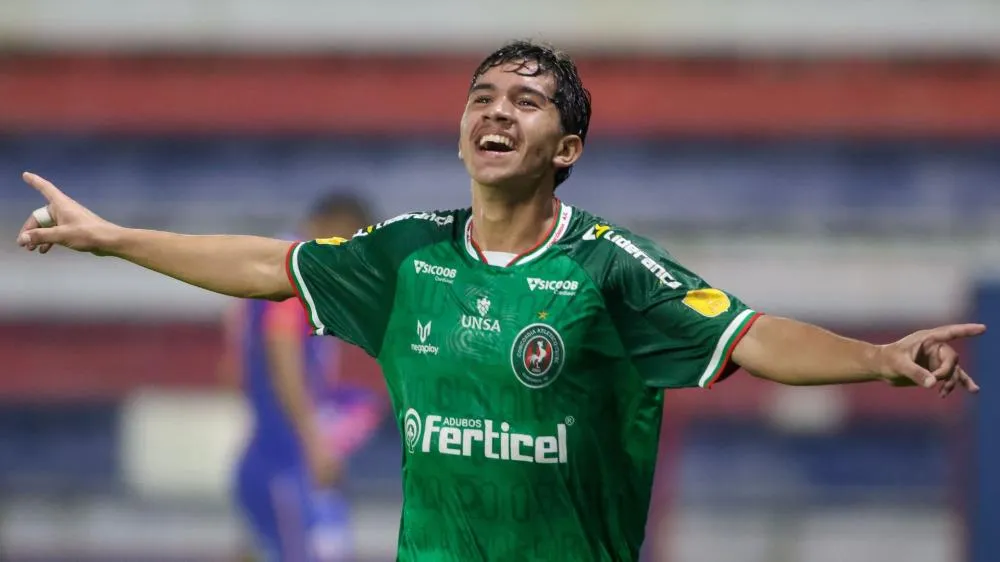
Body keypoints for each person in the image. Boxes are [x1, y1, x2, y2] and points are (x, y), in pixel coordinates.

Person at [16, 40, 983, 562]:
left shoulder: (609, 269)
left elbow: (752, 335)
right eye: (482, 96)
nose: (495, 110)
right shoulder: (406, 256)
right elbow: (269, 265)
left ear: (567, 149)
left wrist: (879, 359)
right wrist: (113, 237)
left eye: (525, 101)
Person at [216, 193, 385, 561]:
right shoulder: (295, 271)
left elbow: (234, 366)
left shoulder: (268, 266)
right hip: (284, 462)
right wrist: (314, 442)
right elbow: (282, 353)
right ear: (336, 228)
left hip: (271, 453)